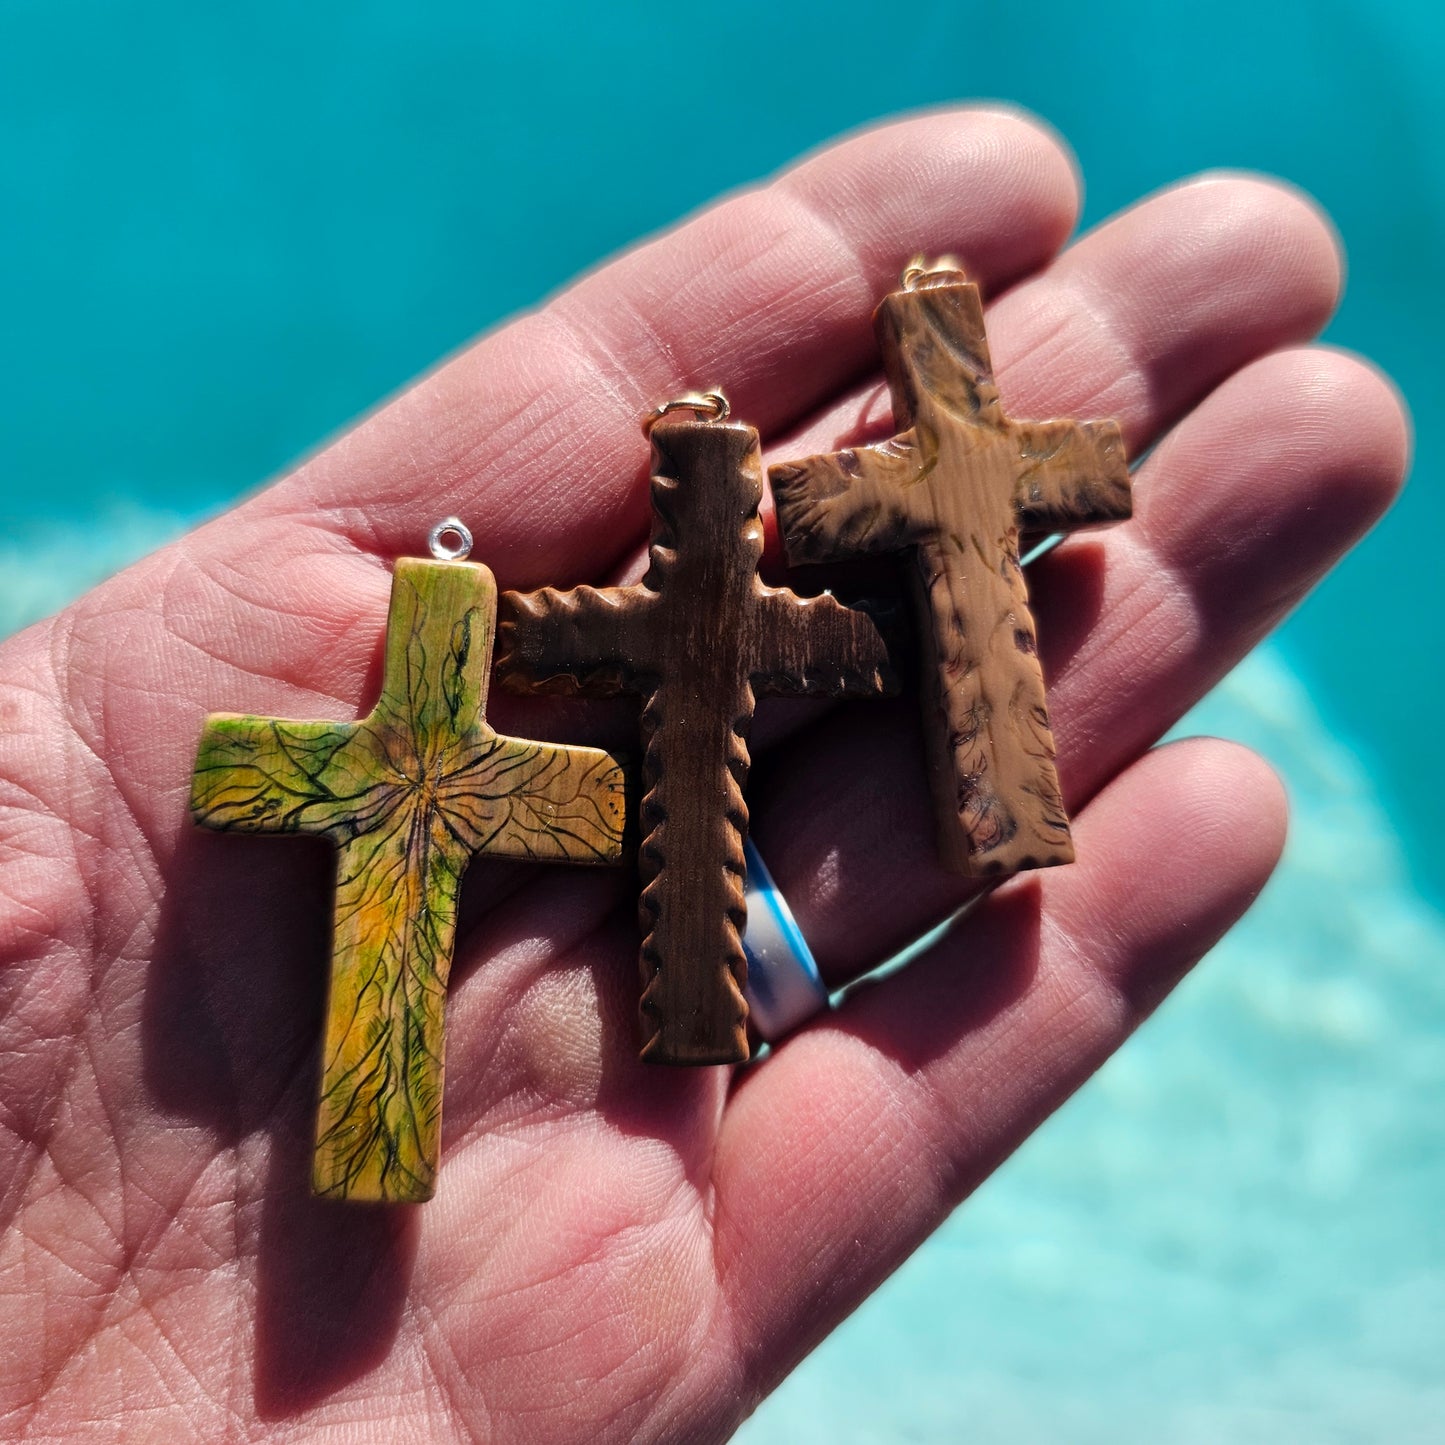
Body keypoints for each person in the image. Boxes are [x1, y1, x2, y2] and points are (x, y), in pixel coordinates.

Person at [0, 108, 1408, 1441]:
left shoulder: (782, 590)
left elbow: (825, 637)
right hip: (546, 816)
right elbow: (280, 758)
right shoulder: (507, 687)